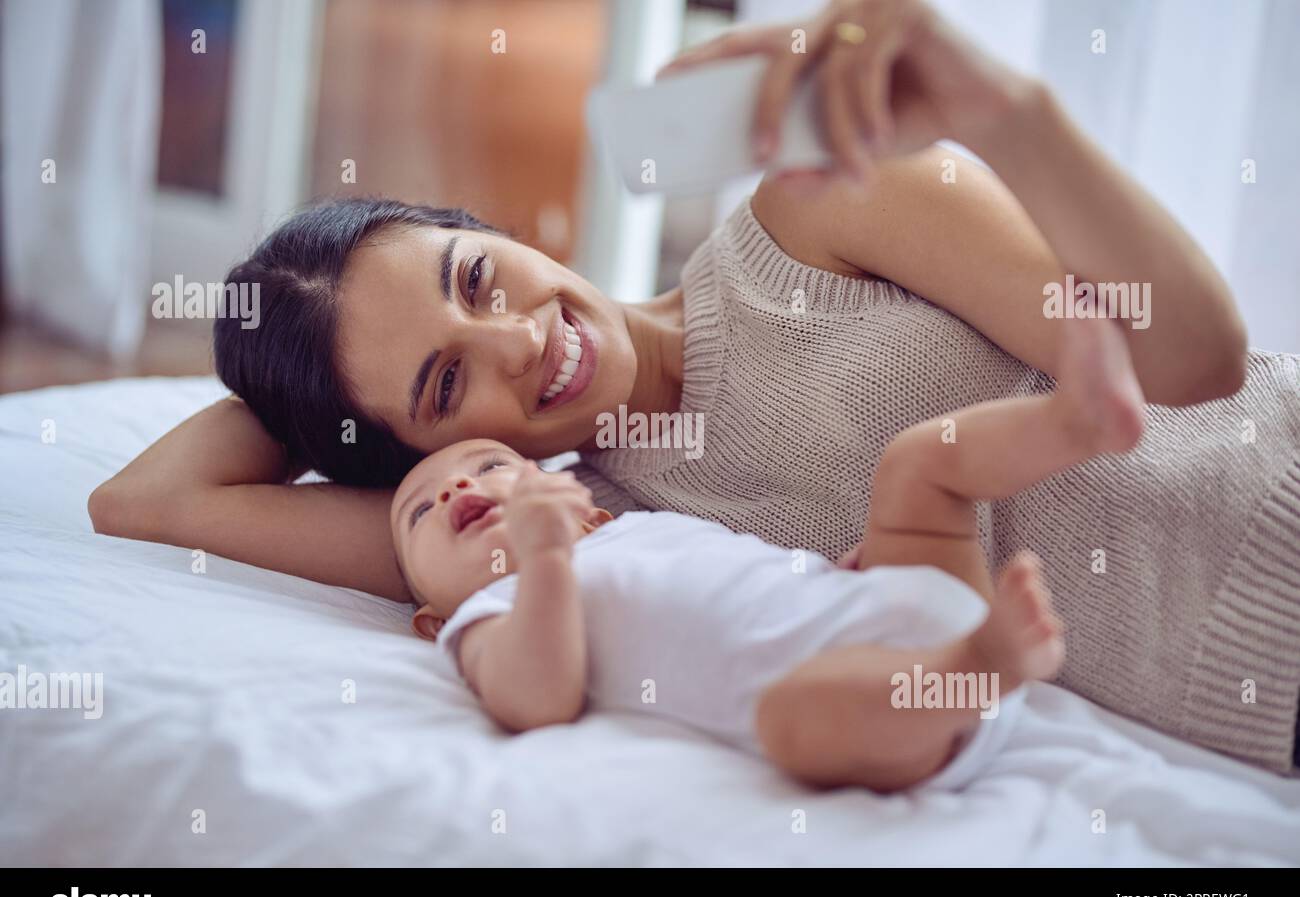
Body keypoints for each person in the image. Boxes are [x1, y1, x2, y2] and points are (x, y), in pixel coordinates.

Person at [90, 0, 1300, 772]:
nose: (518, 340)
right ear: (425, 457)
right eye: (449, 383)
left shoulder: (806, 212)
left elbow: (1192, 361)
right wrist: (303, 369)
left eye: (476, 274)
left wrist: (1001, 111)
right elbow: (144, 504)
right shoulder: (583, 526)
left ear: (496, 227)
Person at [393, 312, 1143, 792]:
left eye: (490, 466)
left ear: (583, 508)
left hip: (878, 600)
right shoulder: (487, 615)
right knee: (791, 721)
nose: (459, 485)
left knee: (917, 466)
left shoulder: (623, 525)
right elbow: (536, 699)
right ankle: (983, 664)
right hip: (878, 700)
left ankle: (1073, 422)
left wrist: (837, 581)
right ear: (430, 617)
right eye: (422, 510)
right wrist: (544, 561)